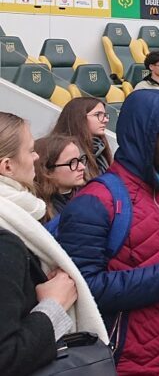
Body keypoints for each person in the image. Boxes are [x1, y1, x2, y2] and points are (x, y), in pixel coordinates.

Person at [57, 90, 159, 375]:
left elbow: (150, 265)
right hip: (123, 360)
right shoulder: (95, 202)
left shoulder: (157, 193)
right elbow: (84, 289)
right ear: (143, 136)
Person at [0, 112, 108, 375]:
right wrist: (54, 305)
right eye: (30, 151)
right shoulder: (6, 242)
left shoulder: (18, 221)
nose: (36, 157)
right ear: (7, 166)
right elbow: (6, 357)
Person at [50, 96, 113, 178]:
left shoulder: (100, 148)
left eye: (105, 115)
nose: (105, 120)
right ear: (79, 118)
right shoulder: (64, 151)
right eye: (97, 114)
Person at [33, 135, 87, 222]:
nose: (82, 167)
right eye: (71, 163)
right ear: (47, 170)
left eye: (80, 160)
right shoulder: (37, 210)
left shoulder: (88, 197)